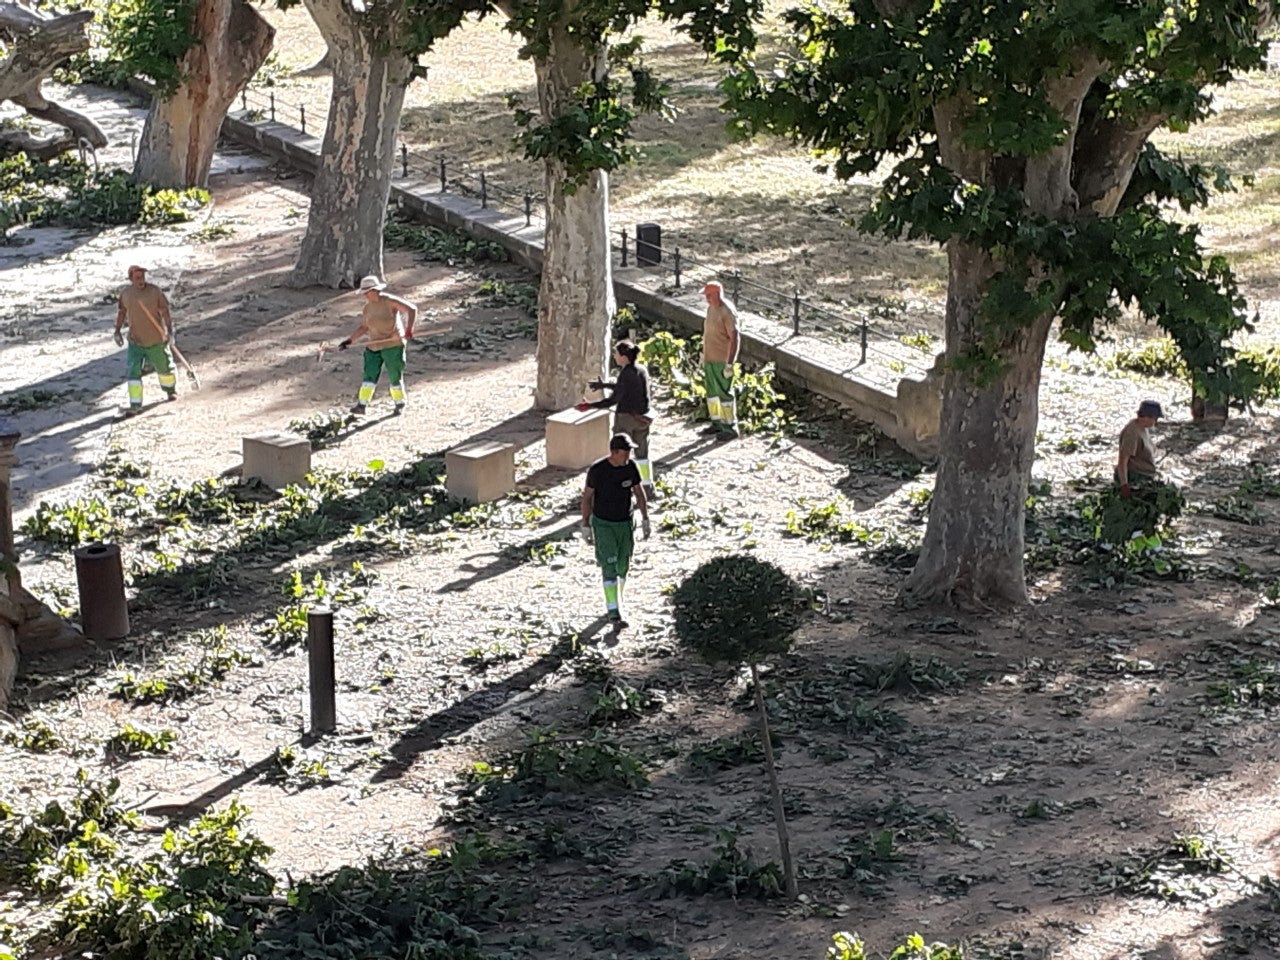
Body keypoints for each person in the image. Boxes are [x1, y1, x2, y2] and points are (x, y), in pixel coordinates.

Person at [581, 433, 651, 628]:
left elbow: (638, 492)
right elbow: (587, 497)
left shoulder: (630, 467)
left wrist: (645, 518)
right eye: (625, 452)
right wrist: (585, 523)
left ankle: (619, 598)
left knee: (623, 564)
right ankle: (613, 609)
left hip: (625, 523)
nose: (628, 455)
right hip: (603, 524)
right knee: (609, 565)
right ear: (614, 452)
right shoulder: (597, 470)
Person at [581, 340, 657, 498]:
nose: (614, 357)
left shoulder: (625, 374)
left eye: (616, 354)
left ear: (623, 357)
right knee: (643, 454)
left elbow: (612, 400)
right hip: (643, 418)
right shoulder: (641, 370)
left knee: (620, 452)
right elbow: (625, 386)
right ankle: (647, 487)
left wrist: (590, 406)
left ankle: (618, 483)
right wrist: (605, 386)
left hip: (626, 419)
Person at [338, 275, 419, 415]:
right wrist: (350, 340)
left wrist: (409, 329)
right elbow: (364, 327)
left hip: (392, 344)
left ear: (374, 290)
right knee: (369, 374)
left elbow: (411, 309)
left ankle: (399, 403)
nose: (365, 295)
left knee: (394, 375)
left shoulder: (389, 301)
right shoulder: (367, 308)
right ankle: (362, 405)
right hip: (373, 345)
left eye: (366, 291)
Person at [114, 265, 177, 415]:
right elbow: (122, 312)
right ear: (131, 279)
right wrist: (117, 331)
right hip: (136, 342)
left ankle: (170, 390)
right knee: (133, 372)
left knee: (164, 368)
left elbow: (165, 311)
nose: (141, 280)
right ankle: (135, 404)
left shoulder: (154, 292)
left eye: (142, 277)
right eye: (137, 278)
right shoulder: (126, 294)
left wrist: (170, 331)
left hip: (156, 340)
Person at [701, 280, 740, 438]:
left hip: (721, 361)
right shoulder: (711, 309)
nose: (706, 298)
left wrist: (730, 363)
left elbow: (735, 337)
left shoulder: (727, 312)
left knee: (724, 395)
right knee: (712, 393)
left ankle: (730, 428)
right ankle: (716, 423)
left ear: (717, 294)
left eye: (709, 295)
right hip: (710, 359)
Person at [1117, 399, 1163, 498]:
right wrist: (1124, 485)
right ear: (1146, 417)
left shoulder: (1143, 428)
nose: (1155, 422)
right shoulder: (1132, 433)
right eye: (1155, 419)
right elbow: (1122, 461)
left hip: (1146, 475)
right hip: (1135, 477)